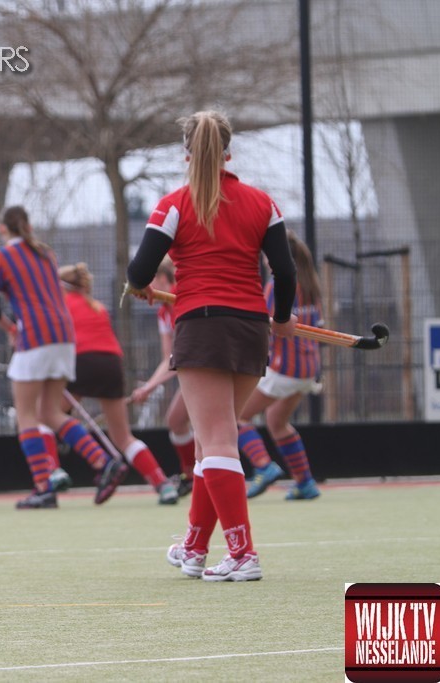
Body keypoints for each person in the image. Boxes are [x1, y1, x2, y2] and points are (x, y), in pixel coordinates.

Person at [126, 110, 297, 582]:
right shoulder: (263, 202)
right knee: (210, 441)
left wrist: (141, 287)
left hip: (202, 324)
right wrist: (282, 318)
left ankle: (242, 554)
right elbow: (285, 271)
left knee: (218, 439)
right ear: (228, 152)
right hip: (251, 327)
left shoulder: (175, 204)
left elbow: (139, 272)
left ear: (187, 154)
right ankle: (195, 547)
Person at [0, 206, 127, 509]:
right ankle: (104, 461)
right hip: (64, 336)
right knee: (50, 413)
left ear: (2, 229)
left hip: (34, 337)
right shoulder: (46, 253)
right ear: (29, 226)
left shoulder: (2, 256)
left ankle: (44, 487)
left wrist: (11, 329)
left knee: (26, 416)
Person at [58, 262, 178, 505]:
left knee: (48, 416)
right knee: (123, 436)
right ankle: (163, 485)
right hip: (111, 364)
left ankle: (82, 468)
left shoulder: (61, 305)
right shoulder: (97, 307)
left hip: (81, 360)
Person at [237, 231, 323, 501]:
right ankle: (305, 483)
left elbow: (266, 326)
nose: (263, 257)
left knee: (236, 417)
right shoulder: (311, 286)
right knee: (277, 422)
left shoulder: (277, 286)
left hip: (285, 368)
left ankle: (263, 466)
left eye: (266, 251)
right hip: (308, 369)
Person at [128, 259, 196, 497]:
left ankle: (199, 477)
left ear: (163, 279)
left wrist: (150, 387)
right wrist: (148, 387)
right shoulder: (163, 312)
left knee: (198, 427)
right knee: (176, 421)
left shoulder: (182, 298)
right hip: (192, 369)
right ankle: (191, 477)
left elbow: (182, 355)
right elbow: (170, 358)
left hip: (206, 367)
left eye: (150, 282)